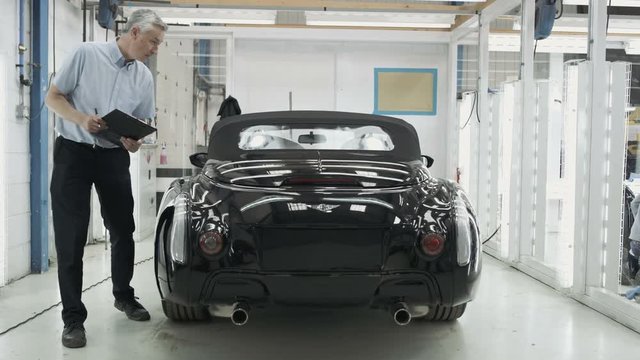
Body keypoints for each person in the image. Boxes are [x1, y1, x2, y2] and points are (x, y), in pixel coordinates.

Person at [45, 9, 167, 348]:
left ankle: (123, 295)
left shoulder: (143, 76)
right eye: (153, 42)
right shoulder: (86, 54)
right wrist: (82, 119)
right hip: (74, 152)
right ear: (134, 34)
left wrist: (134, 140)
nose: (155, 49)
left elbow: (141, 122)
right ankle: (72, 319)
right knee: (71, 238)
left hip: (112, 156)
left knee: (122, 230)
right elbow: (52, 97)